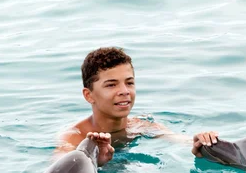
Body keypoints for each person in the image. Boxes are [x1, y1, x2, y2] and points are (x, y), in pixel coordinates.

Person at [55, 47, 219, 165]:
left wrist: (200, 143)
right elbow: (59, 170)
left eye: (129, 83)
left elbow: (180, 140)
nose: (124, 91)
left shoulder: (141, 126)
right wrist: (93, 163)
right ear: (88, 95)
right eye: (111, 85)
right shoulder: (75, 137)